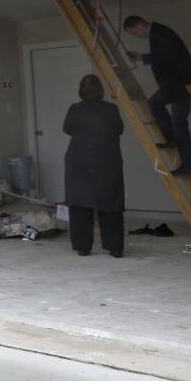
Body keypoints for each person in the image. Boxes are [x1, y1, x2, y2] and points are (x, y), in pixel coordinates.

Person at [122, 15, 191, 176]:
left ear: (138, 26)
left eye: (133, 33)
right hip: (175, 86)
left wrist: (190, 82)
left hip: (180, 85)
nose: (136, 36)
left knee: (175, 121)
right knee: (167, 114)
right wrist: (141, 57)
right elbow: (165, 56)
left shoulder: (160, 33)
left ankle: (188, 164)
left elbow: (180, 56)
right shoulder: (158, 33)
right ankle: (178, 148)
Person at [64, 74, 125, 258]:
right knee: (111, 205)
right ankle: (115, 248)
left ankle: (83, 247)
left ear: (80, 92)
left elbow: (67, 129)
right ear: (101, 91)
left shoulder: (75, 109)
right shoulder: (111, 109)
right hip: (107, 162)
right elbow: (119, 129)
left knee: (80, 205)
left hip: (79, 163)